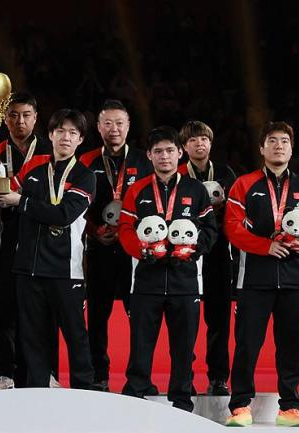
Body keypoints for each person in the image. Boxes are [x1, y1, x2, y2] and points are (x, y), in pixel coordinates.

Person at [224, 122, 299, 427]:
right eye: (272, 141)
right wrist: (264, 246)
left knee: (291, 345)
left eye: (284, 141)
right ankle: (240, 406)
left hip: (294, 280)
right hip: (254, 280)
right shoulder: (244, 184)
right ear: (261, 148)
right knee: (247, 344)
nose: (278, 146)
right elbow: (232, 227)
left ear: (291, 149)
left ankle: (290, 408)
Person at [118, 126, 217, 412]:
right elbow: (125, 229)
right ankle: (135, 396)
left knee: (184, 348)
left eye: (170, 151)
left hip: (185, 281)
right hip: (146, 281)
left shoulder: (195, 190)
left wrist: (193, 251)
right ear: (149, 155)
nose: (165, 156)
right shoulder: (137, 190)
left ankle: (182, 400)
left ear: (180, 153)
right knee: (141, 344)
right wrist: (142, 251)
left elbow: (210, 229)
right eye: (158, 151)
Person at [0, 109, 95, 389]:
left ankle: (84, 391)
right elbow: (6, 194)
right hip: (28, 267)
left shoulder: (85, 176)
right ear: (50, 135)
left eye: (73, 133)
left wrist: (21, 202)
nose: (66, 137)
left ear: (80, 139)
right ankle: (38, 390)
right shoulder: (34, 171)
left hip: (66, 268)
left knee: (75, 334)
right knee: (32, 336)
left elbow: (64, 215)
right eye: (60, 131)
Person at [0, 92, 53, 390]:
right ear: (4, 119)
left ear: (36, 117)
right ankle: (3, 372)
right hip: (1, 238)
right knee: (2, 309)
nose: (20, 121)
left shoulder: (49, 152)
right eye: (14, 115)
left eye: (26, 115)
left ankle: (42, 373)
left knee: (38, 310)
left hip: (41, 240)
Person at [79, 99, 153, 391]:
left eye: (119, 123)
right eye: (107, 123)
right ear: (98, 127)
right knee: (98, 315)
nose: (114, 129)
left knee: (140, 316)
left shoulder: (144, 161)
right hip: (99, 247)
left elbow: (153, 205)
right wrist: (93, 231)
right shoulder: (86, 161)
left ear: (128, 126)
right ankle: (99, 374)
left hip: (134, 250)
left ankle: (140, 378)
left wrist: (133, 235)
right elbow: (77, 206)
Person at [177, 120, 236, 395]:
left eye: (204, 139)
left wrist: (222, 208)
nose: (199, 144)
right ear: (184, 147)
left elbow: (239, 211)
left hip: (218, 253)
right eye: (193, 140)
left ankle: (219, 377)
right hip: (185, 254)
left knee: (219, 318)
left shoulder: (225, 173)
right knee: (185, 319)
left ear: (211, 143)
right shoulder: (178, 174)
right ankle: (183, 378)